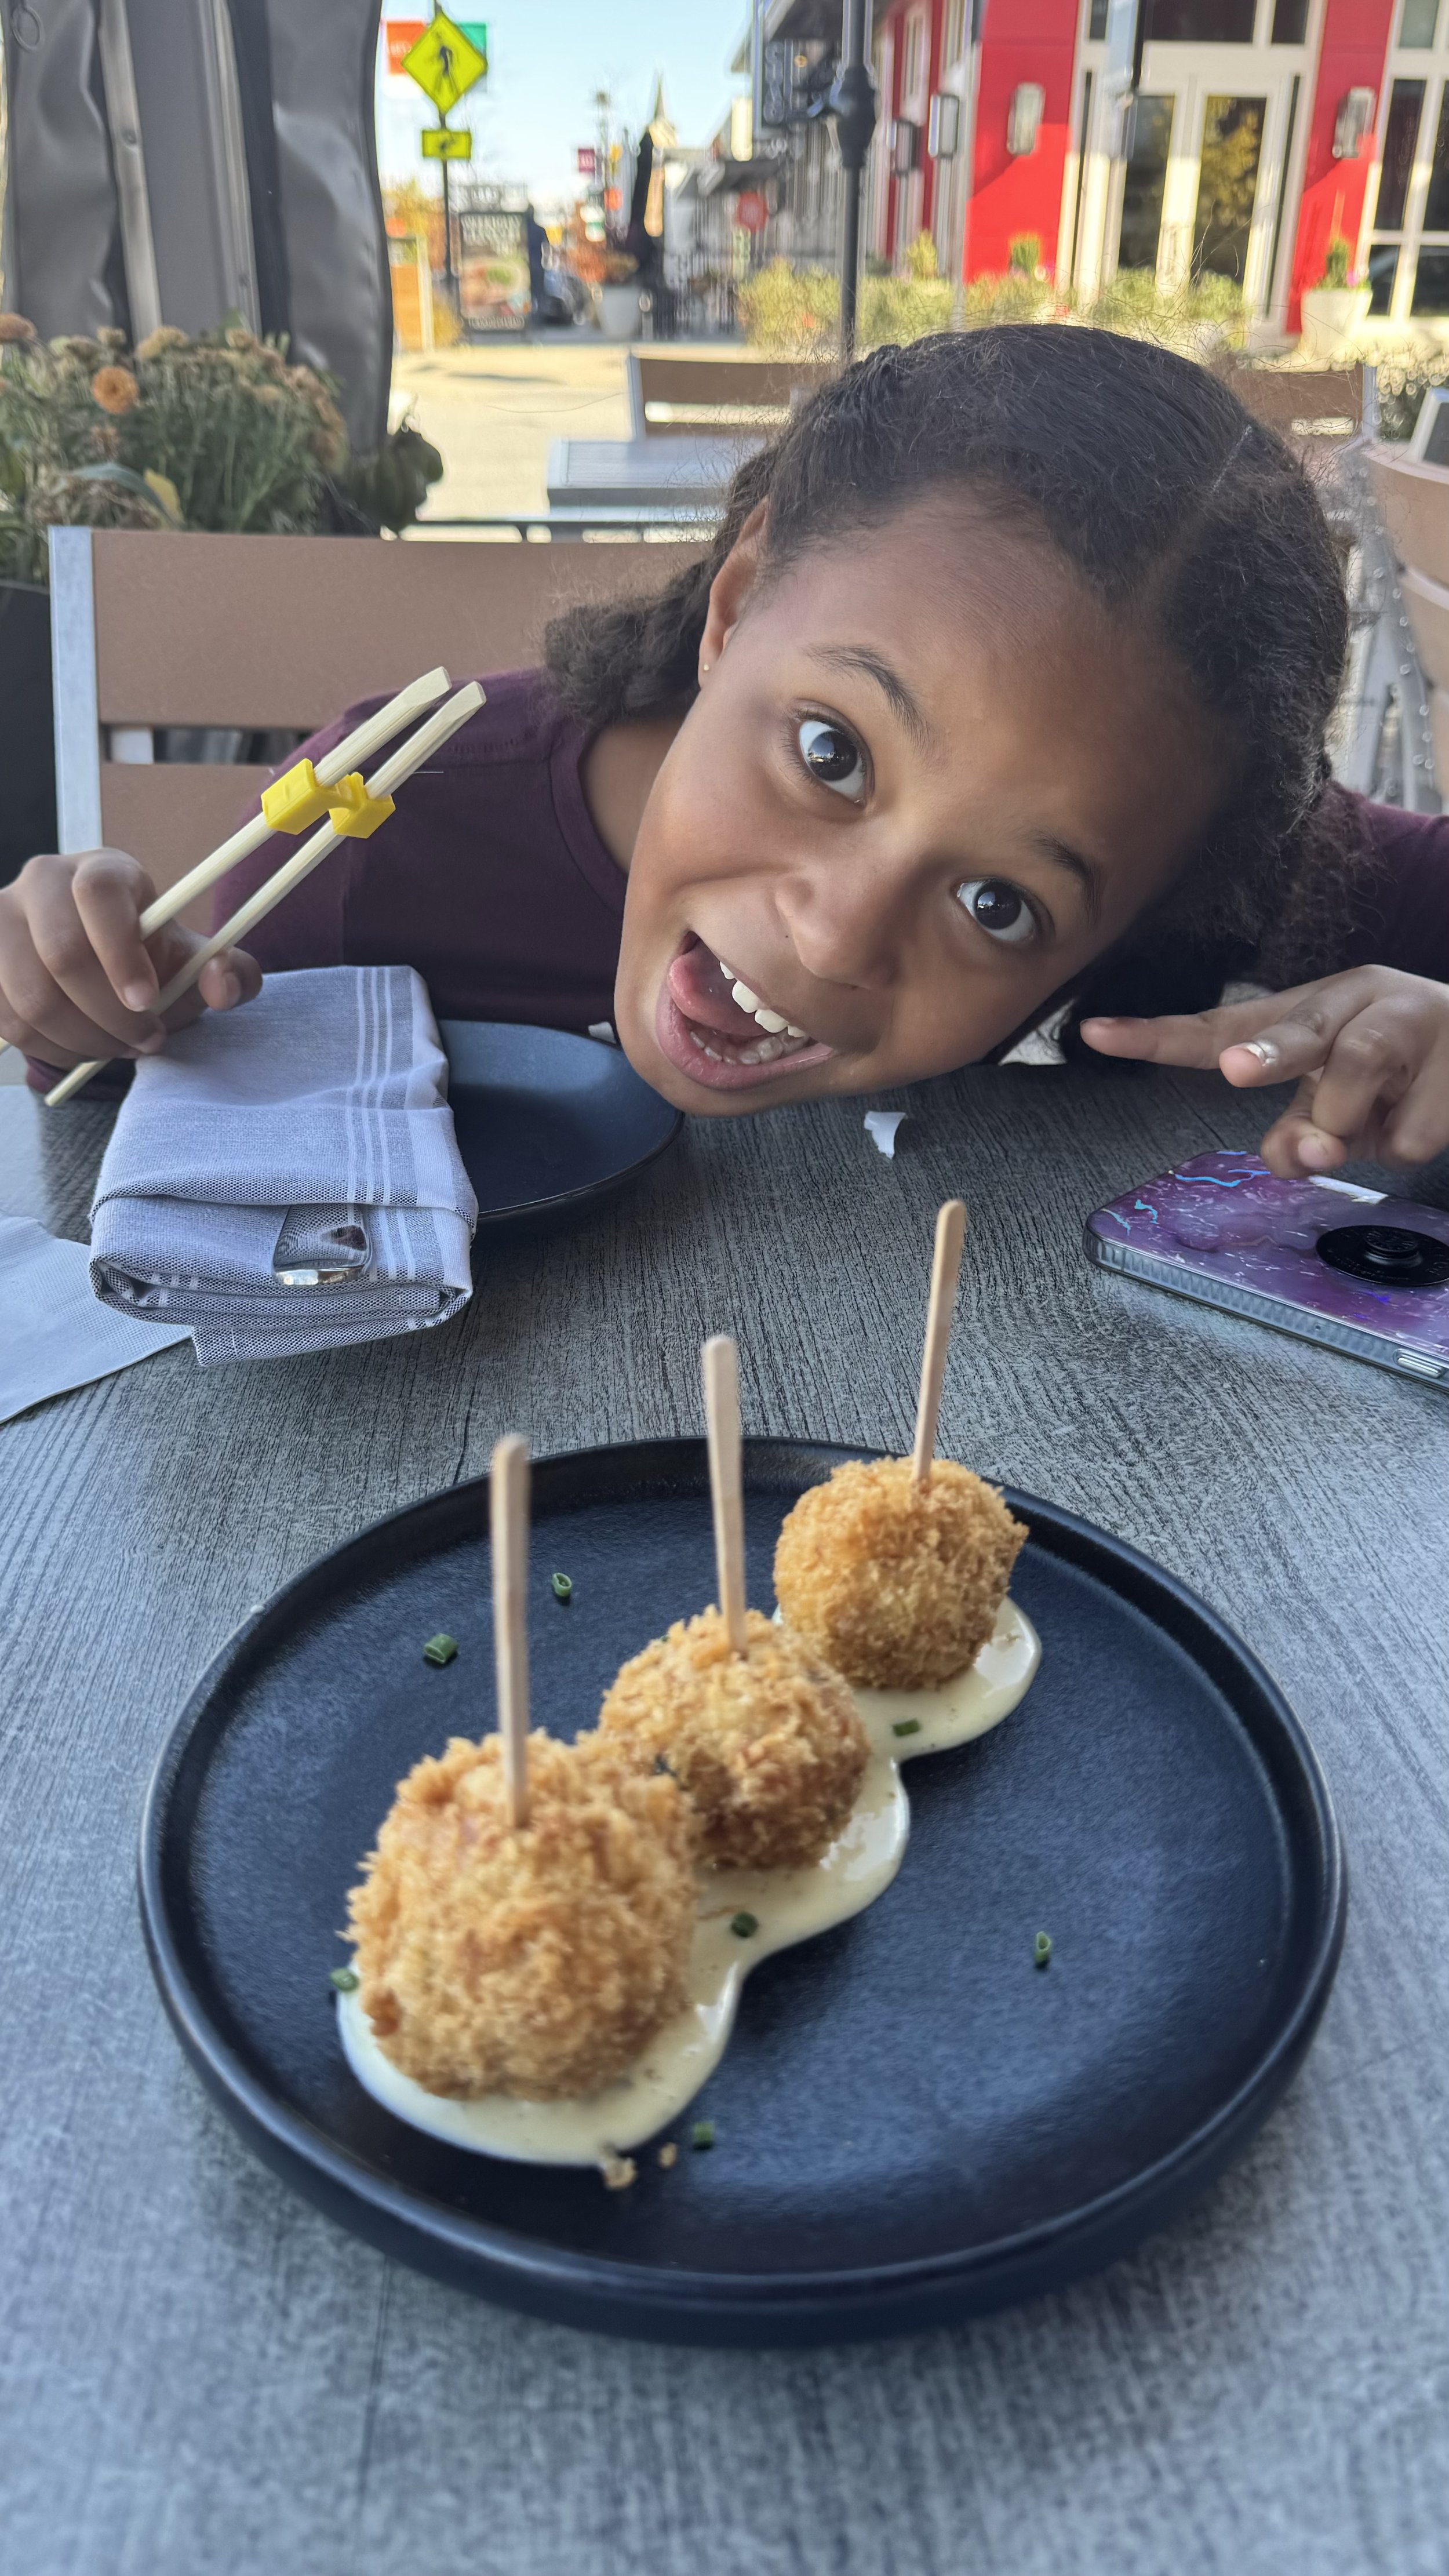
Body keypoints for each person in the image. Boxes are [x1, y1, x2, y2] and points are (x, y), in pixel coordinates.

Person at [3, 327, 1447, 1176]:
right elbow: (168, 1074)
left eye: (1000, 905)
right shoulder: (392, 831)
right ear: (739, 599)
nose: (832, 932)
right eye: (830, 750)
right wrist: (100, 997)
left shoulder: (1201, 844)